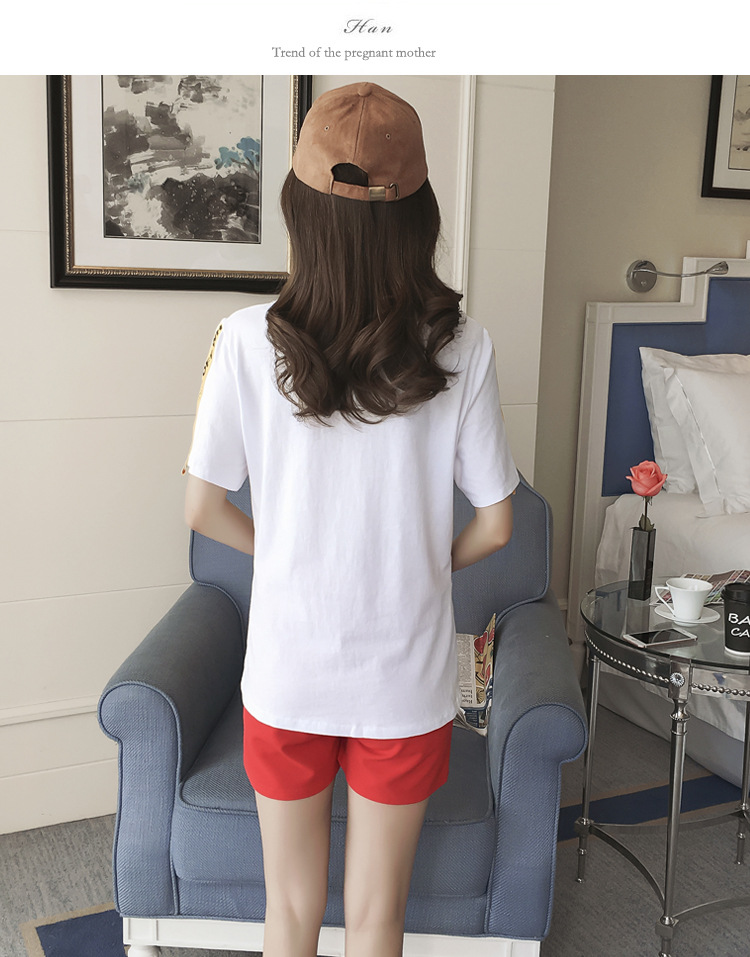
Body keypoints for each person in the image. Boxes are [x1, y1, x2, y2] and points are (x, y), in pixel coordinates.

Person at [183, 81, 519, 957]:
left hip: (287, 669)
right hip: (404, 677)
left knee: (289, 913)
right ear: (420, 213)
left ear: (299, 208)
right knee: (377, 919)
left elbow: (203, 507)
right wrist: (425, 560)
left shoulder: (245, 339)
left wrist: (284, 552)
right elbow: (497, 524)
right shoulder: (464, 345)